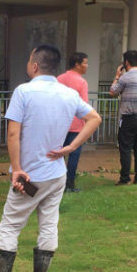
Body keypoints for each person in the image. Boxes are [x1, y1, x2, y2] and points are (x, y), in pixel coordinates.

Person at [0, 45, 101, 272]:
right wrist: (71, 147)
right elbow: (95, 119)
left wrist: (17, 169)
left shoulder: (23, 91)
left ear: (34, 65)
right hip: (56, 174)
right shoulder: (68, 94)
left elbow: (13, 134)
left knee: (11, 225)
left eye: (28, 60)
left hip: (29, 177)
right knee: (49, 224)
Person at [110, 50, 137, 186]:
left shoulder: (125, 78)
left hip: (129, 117)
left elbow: (113, 91)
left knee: (126, 148)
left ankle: (125, 178)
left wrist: (117, 76)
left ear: (126, 62)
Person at [57, 52, 89, 193]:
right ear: (77, 64)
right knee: (74, 154)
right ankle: (69, 184)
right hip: (76, 125)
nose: (87, 66)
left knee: (58, 154)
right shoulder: (82, 82)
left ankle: (56, 182)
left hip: (59, 125)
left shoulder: (59, 79)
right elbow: (84, 105)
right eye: (85, 63)